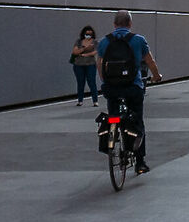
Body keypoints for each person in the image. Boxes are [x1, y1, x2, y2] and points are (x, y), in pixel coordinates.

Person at [97, 10, 164, 175]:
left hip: (111, 89)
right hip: (133, 88)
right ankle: (140, 163)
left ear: (114, 25)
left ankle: (112, 132)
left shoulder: (104, 42)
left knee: (113, 115)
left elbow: (99, 66)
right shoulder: (138, 40)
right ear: (130, 24)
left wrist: (106, 82)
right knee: (137, 122)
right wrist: (157, 77)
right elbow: (150, 62)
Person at [69, 26, 100, 104]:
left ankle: (95, 100)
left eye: (90, 34)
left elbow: (95, 52)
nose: (88, 35)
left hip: (90, 64)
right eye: (87, 33)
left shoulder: (95, 42)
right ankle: (80, 100)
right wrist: (84, 48)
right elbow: (75, 52)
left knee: (91, 82)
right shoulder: (79, 41)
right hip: (78, 64)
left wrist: (85, 55)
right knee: (80, 82)